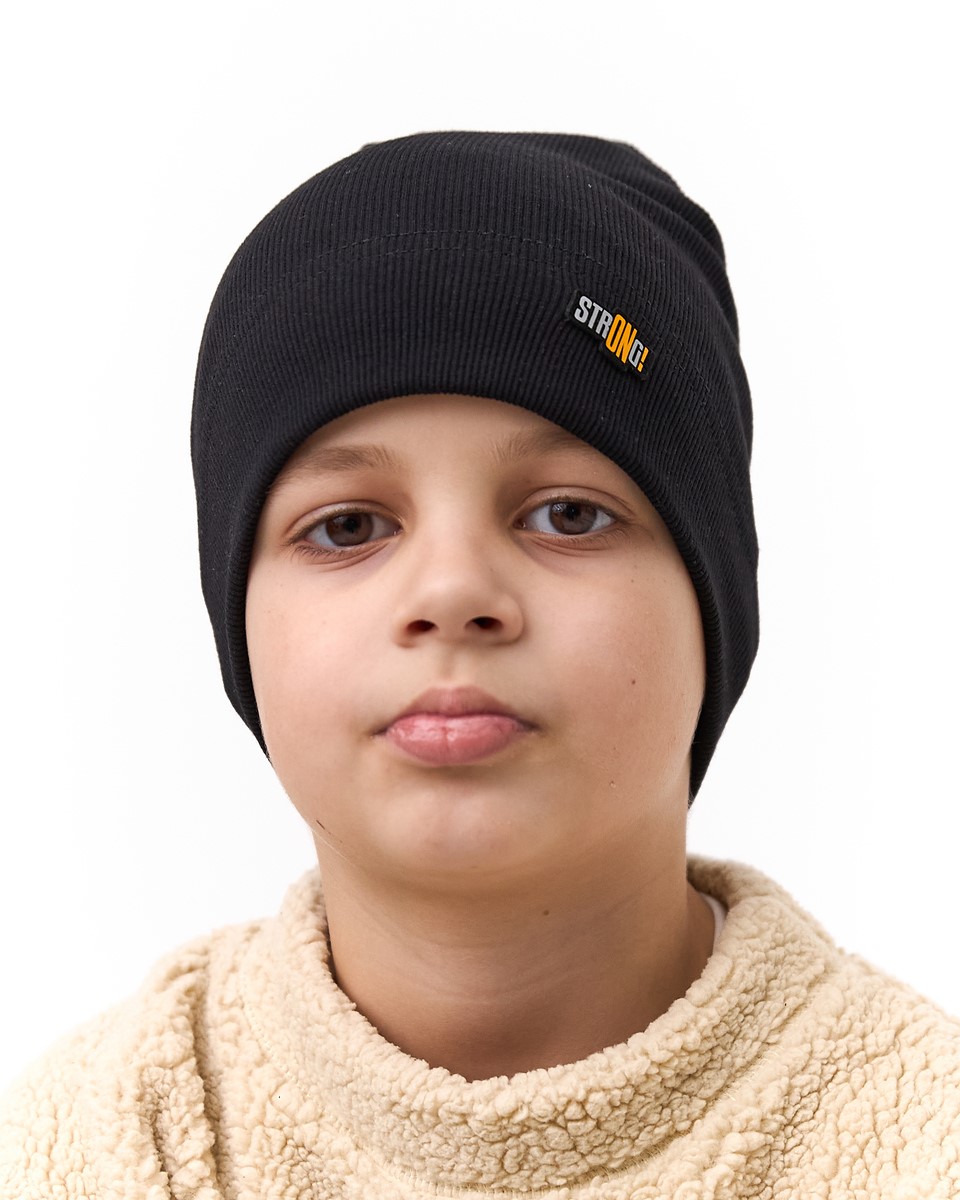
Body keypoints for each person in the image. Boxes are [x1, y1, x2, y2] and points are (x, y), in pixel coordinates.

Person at [1, 131, 957, 1198]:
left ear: (714, 599)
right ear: (238, 622)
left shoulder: (922, 1145)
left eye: (568, 514)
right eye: (349, 526)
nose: (453, 591)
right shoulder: (92, 1147)